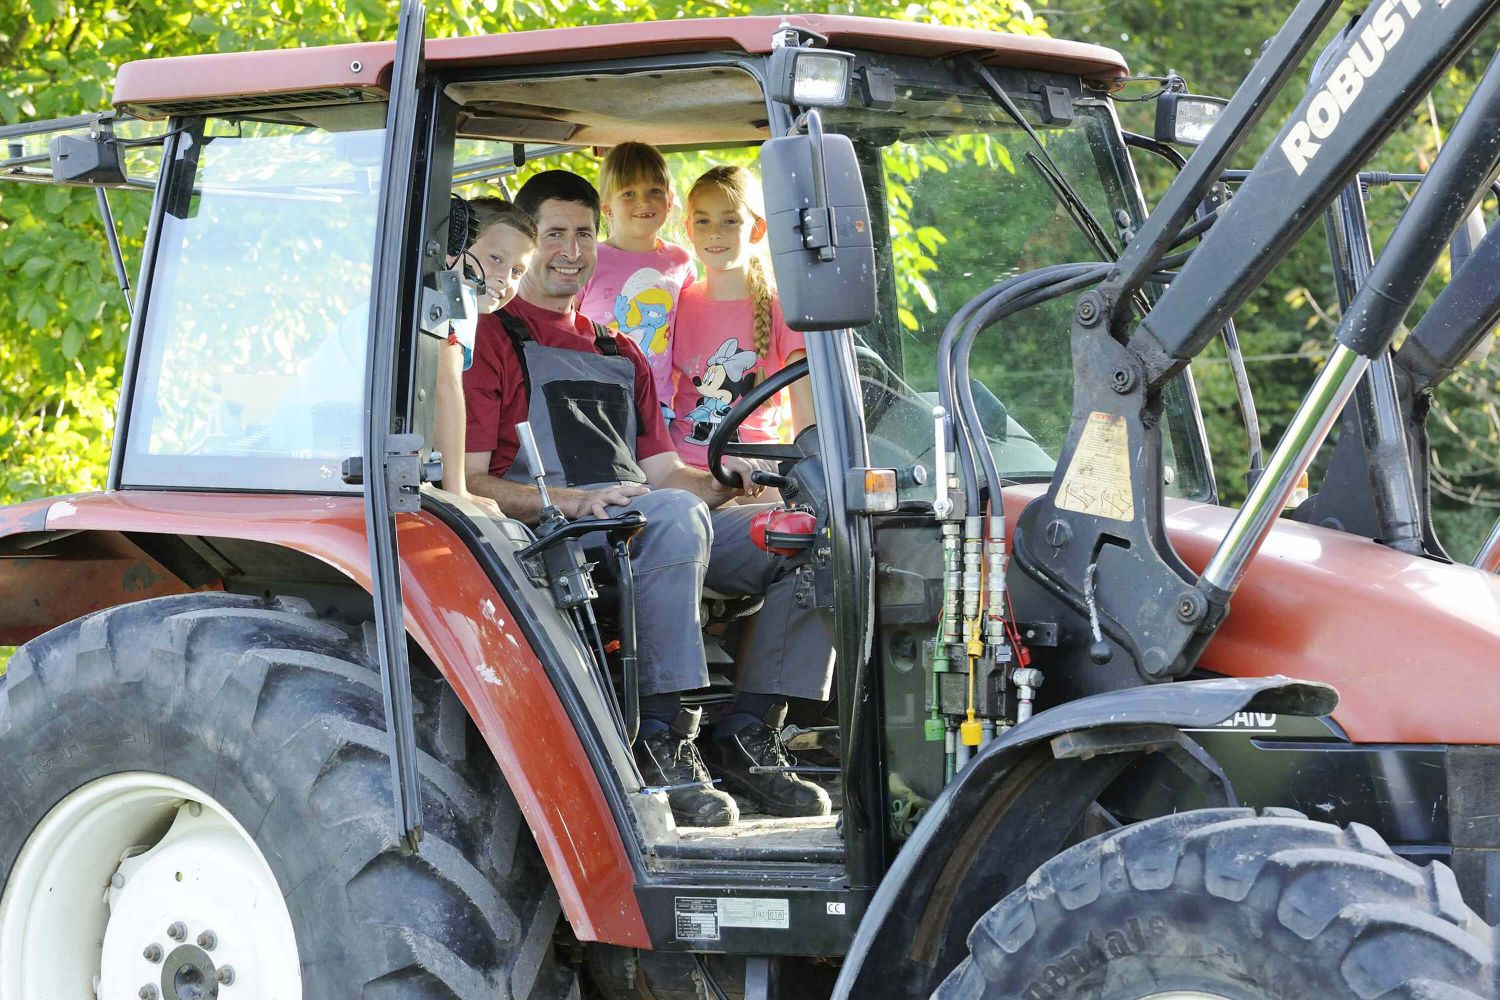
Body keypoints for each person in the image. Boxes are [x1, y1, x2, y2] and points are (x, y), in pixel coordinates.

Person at [463, 170, 832, 828]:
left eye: (583, 233)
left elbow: (665, 473)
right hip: (553, 534)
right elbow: (470, 482)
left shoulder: (620, 350)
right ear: (527, 240)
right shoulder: (492, 337)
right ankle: (661, 734)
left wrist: (734, 480)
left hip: (644, 518)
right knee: (672, 516)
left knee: (806, 535)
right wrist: (576, 502)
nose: (570, 250)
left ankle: (750, 731)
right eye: (553, 234)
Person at [670, 165, 813, 468]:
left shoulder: (783, 309)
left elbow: (807, 420)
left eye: (730, 220)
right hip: (688, 470)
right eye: (703, 221)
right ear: (689, 229)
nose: (714, 232)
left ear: (757, 229)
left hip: (758, 468)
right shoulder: (677, 303)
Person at [430, 196, 537, 517]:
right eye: (495, 258)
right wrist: (458, 492)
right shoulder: (452, 293)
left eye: (518, 271)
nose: (505, 277)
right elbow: (444, 390)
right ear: (456, 243)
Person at [577, 143, 696, 419]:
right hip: (595, 398)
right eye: (629, 193)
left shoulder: (681, 262)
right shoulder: (589, 259)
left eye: (654, 191)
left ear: (669, 199)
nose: (643, 202)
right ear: (606, 207)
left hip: (656, 403)